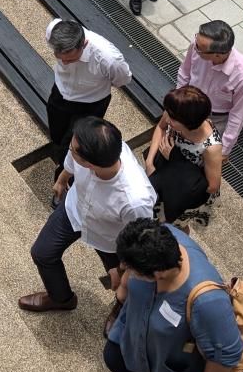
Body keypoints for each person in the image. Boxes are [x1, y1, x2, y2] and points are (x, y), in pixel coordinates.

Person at [99, 217, 243, 372]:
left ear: (157, 274)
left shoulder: (208, 302)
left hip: (181, 359)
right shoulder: (159, 235)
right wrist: (124, 286)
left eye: (132, 270)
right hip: (137, 329)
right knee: (113, 356)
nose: (123, 268)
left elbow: (228, 353)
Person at [19, 117, 155, 313]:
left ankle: (121, 311)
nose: (70, 150)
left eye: (74, 151)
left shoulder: (134, 201)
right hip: (74, 209)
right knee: (42, 253)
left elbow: (139, 242)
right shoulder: (96, 150)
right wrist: (62, 178)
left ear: (90, 164)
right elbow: (72, 160)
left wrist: (122, 268)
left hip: (110, 236)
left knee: (126, 284)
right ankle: (61, 298)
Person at [43, 18, 132, 174]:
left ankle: (63, 177)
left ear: (83, 44)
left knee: (74, 145)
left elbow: (123, 79)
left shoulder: (108, 58)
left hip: (91, 103)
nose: (64, 63)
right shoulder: (54, 30)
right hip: (61, 91)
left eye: (70, 59)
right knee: (56, 131)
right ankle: (60, 155)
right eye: (60, 58)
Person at [145, 87, 223, 227]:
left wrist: (175, 160)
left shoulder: (211, 147)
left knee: (178, 226)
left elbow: (212, 186)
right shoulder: (174, 111)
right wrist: (149, 163)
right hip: (164, 172)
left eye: (172, 118)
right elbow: (161, 127)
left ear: (189, 122)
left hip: (183, 188)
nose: (167, 118)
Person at [176, 22, 243, 159]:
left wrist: (224, 150)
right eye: (196, 40)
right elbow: (184, 73)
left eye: (199, 48)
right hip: (191, 102)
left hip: (217, 117)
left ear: (218, 55)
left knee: (205, 154)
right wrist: (178, 101)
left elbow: (238, 115)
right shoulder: (197, 45)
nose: (195, 47)